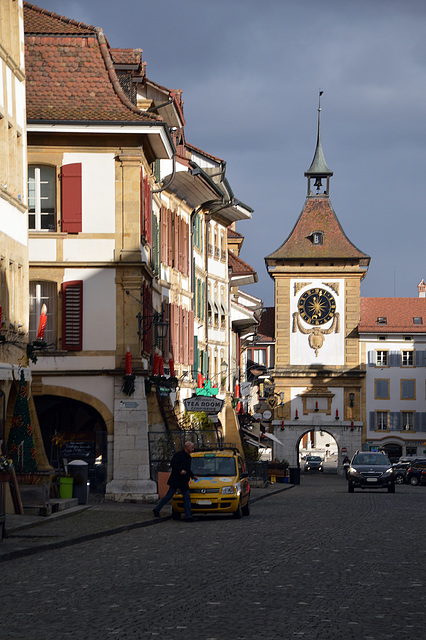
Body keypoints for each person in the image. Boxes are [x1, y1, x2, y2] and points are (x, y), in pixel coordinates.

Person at [153, 441, 198, 522]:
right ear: (187, 447)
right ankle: (156, 509)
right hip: (176, 479)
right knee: (169, 496)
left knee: (187, 497)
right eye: (192, 447)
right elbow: (173, 464)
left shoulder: (189, 457)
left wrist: (192, 476)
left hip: (184, 481)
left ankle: (188, 516)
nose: (193, 449)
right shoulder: (178, 455)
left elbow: (188, 469)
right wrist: (180, 470)